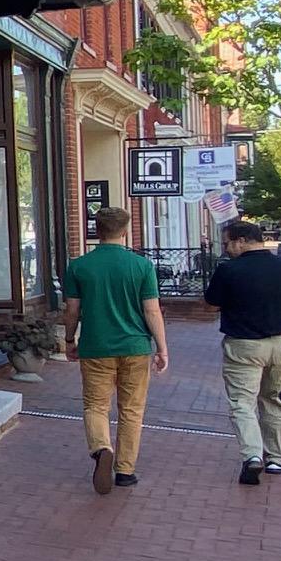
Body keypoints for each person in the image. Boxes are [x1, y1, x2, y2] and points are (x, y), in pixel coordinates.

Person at [62, 206, 169, 494]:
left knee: (96, 405)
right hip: (135, 346)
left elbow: (72, 309)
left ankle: (101, 447)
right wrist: (162, 348)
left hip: (96, 346)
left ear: (97, 231)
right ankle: (125, 470)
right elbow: (152, 310)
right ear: (124, 231)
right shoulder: (141, 266)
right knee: (131, 409)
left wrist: (69, 340)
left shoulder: (79, 266)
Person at [204, 219, 281, 485]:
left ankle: (252, 456)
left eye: (228, 243)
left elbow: (211, 304)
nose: (226, 249)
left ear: (241, 240)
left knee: (242, 402)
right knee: (274, 399)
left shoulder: (229, 270)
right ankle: (276, 459)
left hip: (244, 344)